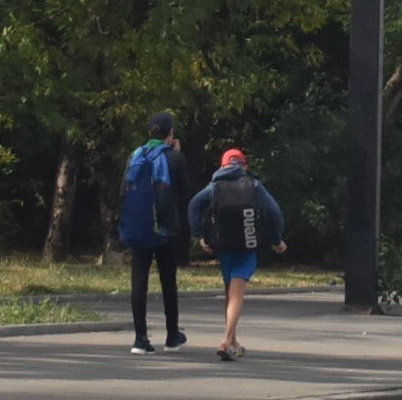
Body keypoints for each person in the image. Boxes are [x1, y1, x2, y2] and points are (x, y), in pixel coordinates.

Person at [189, 147, 285, 360]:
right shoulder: (254, 186)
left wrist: (201, 235)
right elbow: (274, 212)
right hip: (247, 245)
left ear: (222, 166)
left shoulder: (215, 186)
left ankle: (233, 340)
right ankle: (226, 341)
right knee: (236, 294)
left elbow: (194, 205)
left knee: (229, 293)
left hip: (223, 245)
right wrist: (276, 240)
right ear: (245, 166)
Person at [115, 113, 192, 353]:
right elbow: (184, 191)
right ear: (170, 133)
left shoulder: (136, 155)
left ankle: (140, 338)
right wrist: (177, 153)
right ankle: (172, 336)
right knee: (168, 281)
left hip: (139, 227)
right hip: (166, 229)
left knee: (139, 282)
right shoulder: (175, 157)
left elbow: (123, 191)